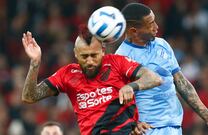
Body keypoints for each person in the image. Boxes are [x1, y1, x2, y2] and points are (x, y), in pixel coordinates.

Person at [115, 3, 208, 135]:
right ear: (133, 31)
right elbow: (117, 103)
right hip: (148, 129)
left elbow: (182, 83)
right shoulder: (121, 58)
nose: (156, 27)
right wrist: (132, 125)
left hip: (174, 126)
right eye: (150, 24)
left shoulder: (162, 45)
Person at [21, 28, 163, 135]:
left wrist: (131, 86)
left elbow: (155, 78)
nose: (90, 61)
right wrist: (35, 62)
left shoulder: (116, 63)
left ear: (102, 50)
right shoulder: (67, 74)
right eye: (84, 56)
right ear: (76, 54)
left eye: (94, 55)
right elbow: (29, 97)